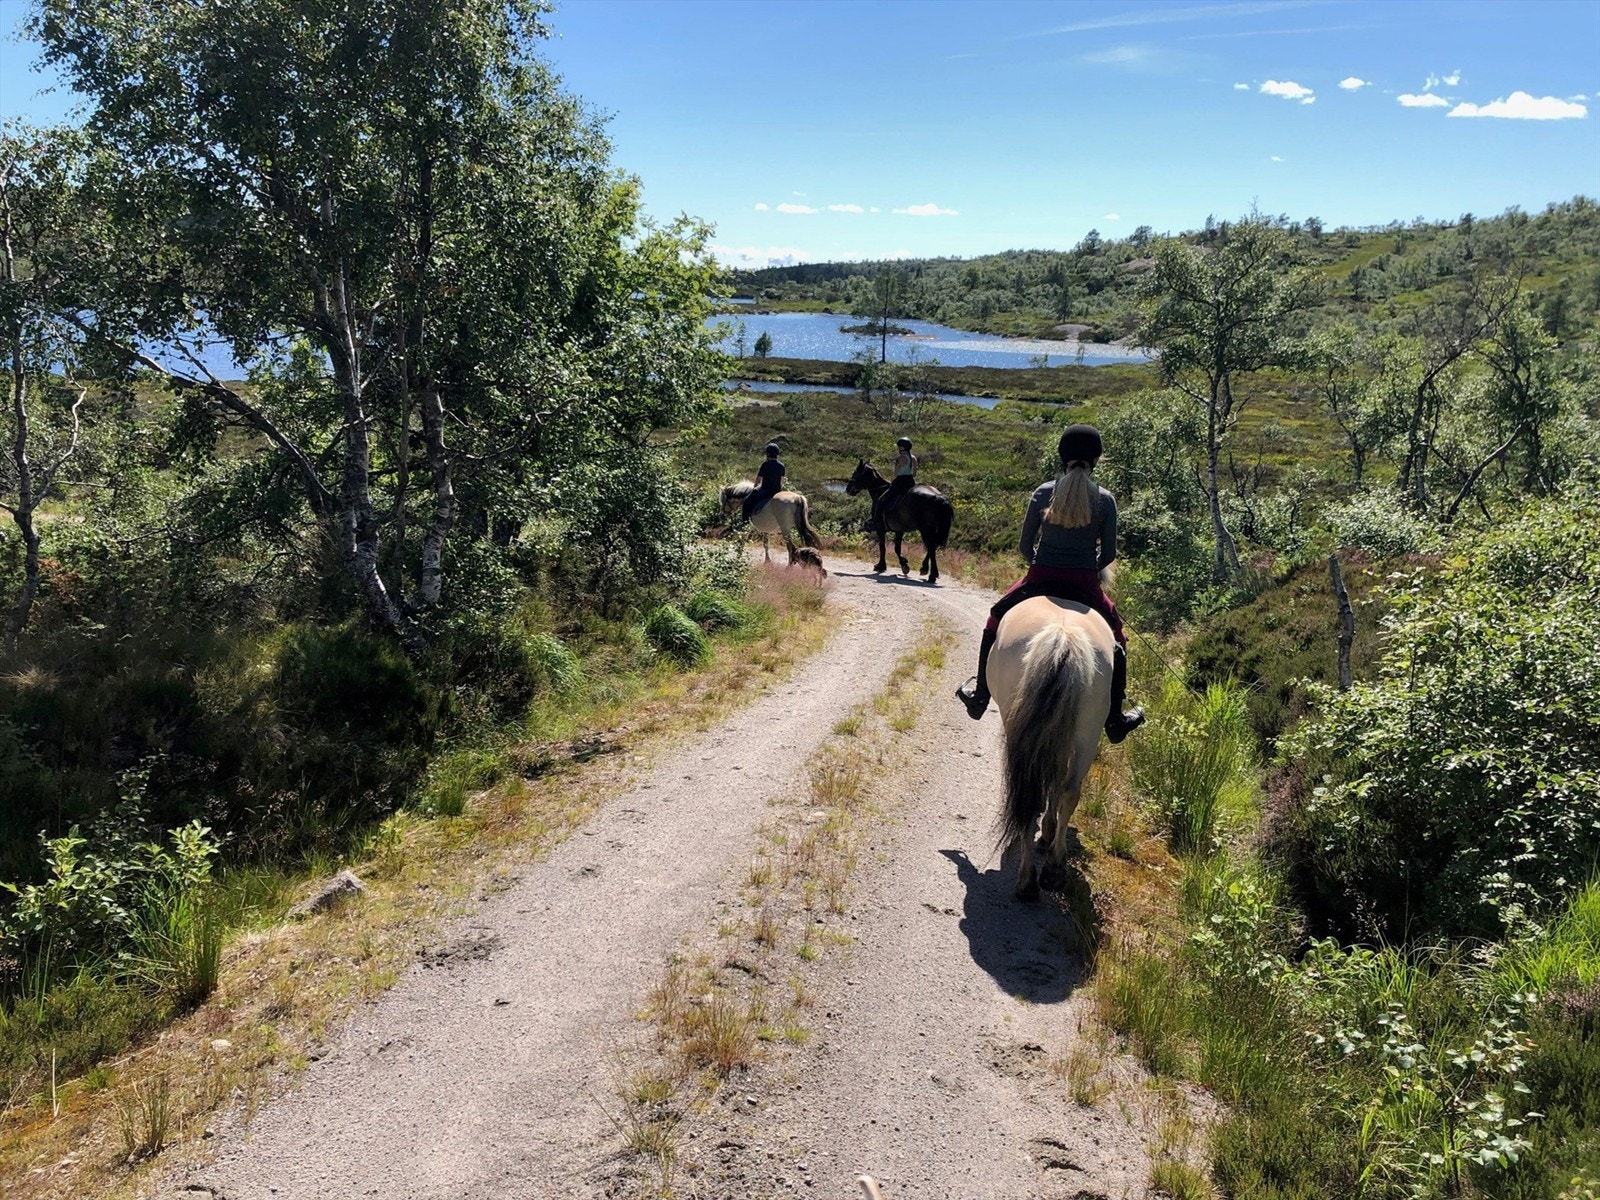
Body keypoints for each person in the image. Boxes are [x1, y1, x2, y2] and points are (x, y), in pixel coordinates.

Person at [955, 424, 1145, 742]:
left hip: (1040, 576)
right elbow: (1110, 554)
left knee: (995, 617)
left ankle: (980, 696)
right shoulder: (1105, 499)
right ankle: (1114, 719)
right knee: (1117, 636)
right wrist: (1088, 569)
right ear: (1096, 459)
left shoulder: (1043, 492)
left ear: (1062, 456)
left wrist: (1039, 563)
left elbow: (1024, 545)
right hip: (1084, 582)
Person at [870, 436, 918, 532]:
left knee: (880, 501)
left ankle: (875, 523)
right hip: (910, 482)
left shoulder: (900, 458)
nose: (898, 448)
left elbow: (895, 474)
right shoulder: (913, 458)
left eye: (899, 446)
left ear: (902, 447)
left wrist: (892, 481)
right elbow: (914, 473)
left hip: (900, 483)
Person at [741, 441, 786, 524]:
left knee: (747, 501)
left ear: (768, 454)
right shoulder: (781, 466)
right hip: (777, 491)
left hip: (765, 490)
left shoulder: (765, 465)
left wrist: (755, 486)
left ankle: (745, 522)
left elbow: (758, 479)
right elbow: (782, 480)